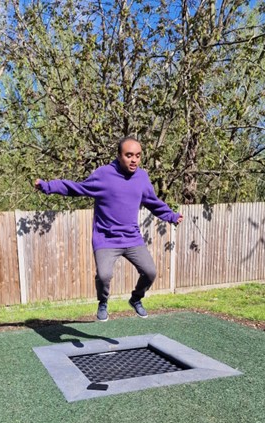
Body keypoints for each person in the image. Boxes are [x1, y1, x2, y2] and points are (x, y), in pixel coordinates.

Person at [34, 136, 183, 321]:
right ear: (119, 156)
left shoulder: (142, 178)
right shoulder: (103, 175)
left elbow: (153, 202)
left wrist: (171, 216)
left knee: (150, 272)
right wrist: (48, 186)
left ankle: (136, 299)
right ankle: (103, 302)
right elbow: (77, 188)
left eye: (138, 155)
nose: (134, 160)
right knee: (104, 276)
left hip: (132, 238)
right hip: (106, 239)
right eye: (129, 155)